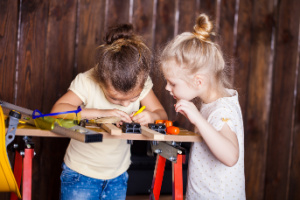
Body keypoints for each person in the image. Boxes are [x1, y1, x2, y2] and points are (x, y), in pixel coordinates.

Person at [51, 23, 167, 200]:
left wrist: (151, 116)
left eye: (132, 99)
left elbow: (161, 114)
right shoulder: (87, 81)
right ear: (101, 79)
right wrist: (100, 112)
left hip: (118, 175)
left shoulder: (141, 81)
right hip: (81, 174)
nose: (125, 104)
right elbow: (57, 112)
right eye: (115, 99)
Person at [160, 14, 246, 199]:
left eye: (173, 83)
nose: (167, 88)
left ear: (198, 81)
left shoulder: (221, 111)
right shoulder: (212, 103)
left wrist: (198, 119)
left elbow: (231, 156)